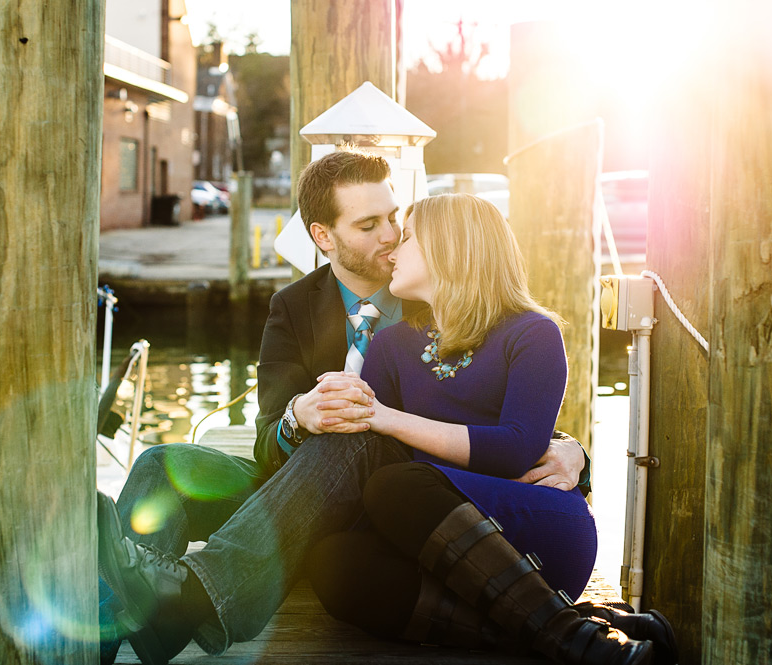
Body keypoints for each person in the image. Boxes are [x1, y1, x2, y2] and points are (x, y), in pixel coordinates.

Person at [97, 151, 589, 665]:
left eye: (396, 219)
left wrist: (574, 451)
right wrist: (298, 417)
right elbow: (268, 437)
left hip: (407, 495)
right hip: (302, 487)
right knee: (162, 465)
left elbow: (514, 420)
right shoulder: (292, 308)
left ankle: (188, 598)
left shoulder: (442, 296)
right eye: (370, 224)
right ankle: (111, 627)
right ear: (324, 237)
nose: (392, 237)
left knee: (359, 437)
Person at [305, 194, 677, 665]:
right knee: (335, 563)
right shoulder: (392, 345)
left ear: (451, 247)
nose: (393, 252)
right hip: (432, 536)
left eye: (409, 238)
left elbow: (515, 451)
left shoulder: (532, 332)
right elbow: (372, 454)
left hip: (533, 526)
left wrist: (385, 416)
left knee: (399, 485)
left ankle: (570, 634)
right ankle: (574, 632)